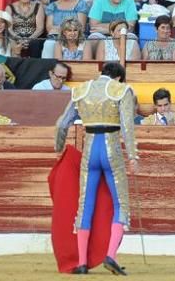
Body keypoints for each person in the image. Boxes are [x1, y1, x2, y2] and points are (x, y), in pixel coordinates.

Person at [53, 61, 138, 276]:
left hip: (90, 151)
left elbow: (62, 124)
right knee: (121, 205)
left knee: (86, 206)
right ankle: (110, 256)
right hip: (111, 151)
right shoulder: (122, 90)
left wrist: (58, 148)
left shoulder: (80, 90)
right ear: (118, 77)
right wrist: (133, 156)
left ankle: (82, 262)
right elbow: (127, 127)